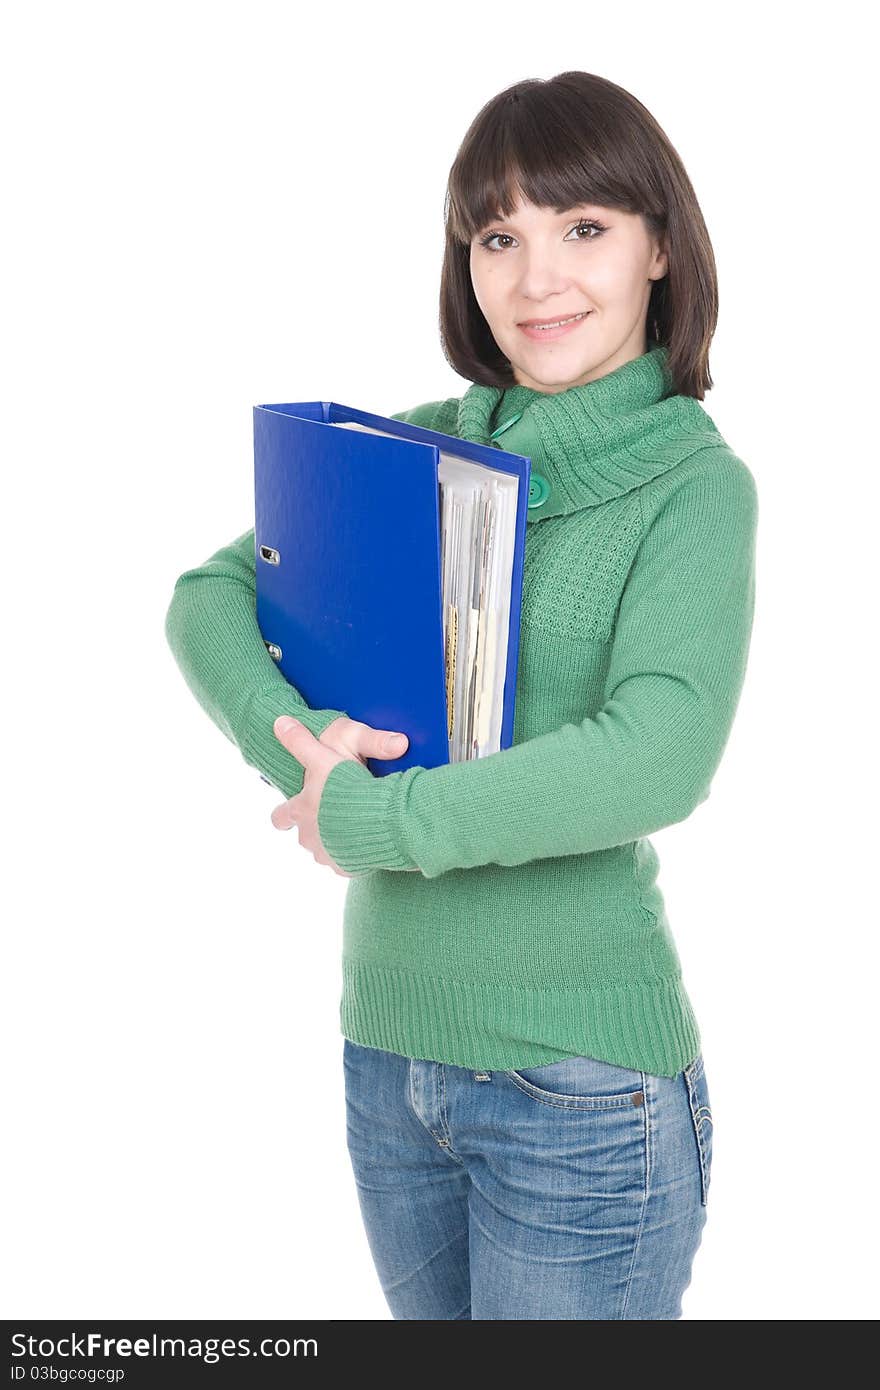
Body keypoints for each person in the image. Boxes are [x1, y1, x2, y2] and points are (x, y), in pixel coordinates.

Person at [164, 70, 757, 1320]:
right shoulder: (420, 448)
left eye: (582, 228)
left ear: (660, 246)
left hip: (579, 1086)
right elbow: (209, 597)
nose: (536, 277)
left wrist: (380, 821)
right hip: (388, 1055)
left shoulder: (692, 487)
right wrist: (312, 752)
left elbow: (656, 754)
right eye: (500, 237)